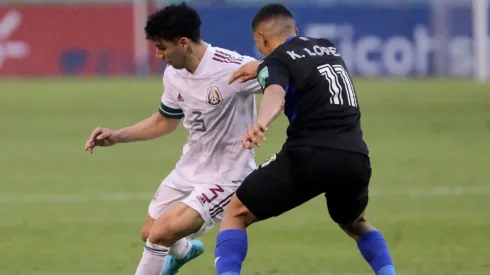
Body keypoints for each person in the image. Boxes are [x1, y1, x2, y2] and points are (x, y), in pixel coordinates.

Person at [213, 4, 397, 275]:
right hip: (355, 158)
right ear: (295, 30)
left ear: (262, 38)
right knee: (354, 222)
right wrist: (264, 66)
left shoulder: (276, 60)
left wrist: (261, 122)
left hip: (309, 156)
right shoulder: (328, 47)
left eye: (259, 44)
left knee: (235, 213)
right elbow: (301, 64)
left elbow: (275, 94)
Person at [84, 3, 262, 275]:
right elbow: (164, 121)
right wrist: (117, 136)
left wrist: (264, 121)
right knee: (149, 232)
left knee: (160, 234)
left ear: (183, 43)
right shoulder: (174, 74)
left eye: (162, 47)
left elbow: (282, 80)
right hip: (189, 167)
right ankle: (184, 251)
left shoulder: (233, 68)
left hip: (227, 176)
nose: (157, 55)